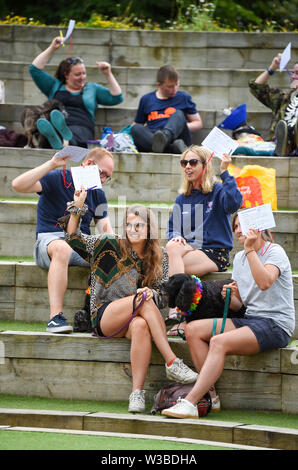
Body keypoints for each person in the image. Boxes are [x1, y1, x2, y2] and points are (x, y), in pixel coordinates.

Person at [61, 199, 198, 413]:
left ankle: (136, 393)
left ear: (149, 228)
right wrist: (77, 209)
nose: (132, 230)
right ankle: (171, 361)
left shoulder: (159, 255)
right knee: (141, 299)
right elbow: (73, 239)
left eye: (139, 225)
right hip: (104, 315)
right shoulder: (108, 243)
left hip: (134, 319)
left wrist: (152, 292)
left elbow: (163, 296)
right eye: (128, 225)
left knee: (141, 325)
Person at [161, 213, 295, 419]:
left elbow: (265, 282)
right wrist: (230, 298)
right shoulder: (240, 258)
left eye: (243, 225)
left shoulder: (274, 252)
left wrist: (250, 250)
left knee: (218, 342)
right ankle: (211, 397)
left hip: (276, 325)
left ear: (258, 227)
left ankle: (190, 402)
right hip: (251, 320)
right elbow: (241, 305)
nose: (239, 231)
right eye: (236, 227)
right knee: (192, 330)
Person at [11, 147, 114, 334]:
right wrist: (51, 164)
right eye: (102, 173)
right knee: (62, 249)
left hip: (79, 243)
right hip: (49, 241)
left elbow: (106, 230)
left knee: (110, 252)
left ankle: (96, 315)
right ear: (89, 164)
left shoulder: (98, 194)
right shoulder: (58, 178)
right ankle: (55, 318)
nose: (104, 180)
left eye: (108, 177)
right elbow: (18, 185)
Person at [165, 145, 243, 336]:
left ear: (205, 165)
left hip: (215, 252)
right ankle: (180, 316)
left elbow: (234, 203)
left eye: (193, 162)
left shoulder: (218, 191)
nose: (187, 167)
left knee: (171, 255)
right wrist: (176, 235)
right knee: (171, 247)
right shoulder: (182, 198)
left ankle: (176, 310)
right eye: (184, 163)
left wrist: (225, 172)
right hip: (190, 249)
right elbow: (172, 227)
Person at [28, 36, 123, 149]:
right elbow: (34, 69)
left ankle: (65, 141)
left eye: (84, 73)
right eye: (78, 74)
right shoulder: (55, 86)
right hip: (57, 124)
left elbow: (117, 97)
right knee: (51, 128)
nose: (82, 77)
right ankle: (60, 140)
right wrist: (52, 48)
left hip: (81, 127)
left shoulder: (91, 88)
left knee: (72, 134)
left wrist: (108, 73)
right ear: (66, 75)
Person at [131, 65, 203, 154]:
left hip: (177, 136)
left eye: (177, 84)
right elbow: (138, 123)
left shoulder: (183, 97)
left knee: (179, 114)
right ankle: (170, 147)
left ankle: (165, 137)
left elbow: (198, 123)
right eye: (170, 87)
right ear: (159, 85)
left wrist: (176, 126)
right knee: (135, 128)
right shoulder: (146, 99)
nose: (174, 89)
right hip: (154, 137)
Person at [249, 54, 298, 156]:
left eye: (297, 73)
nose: (293, 76)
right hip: (276, 144)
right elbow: (256, 86)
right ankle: (283, 145)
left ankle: (290, 144)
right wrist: (272, 68)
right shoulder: (283, 98)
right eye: (293, 73)